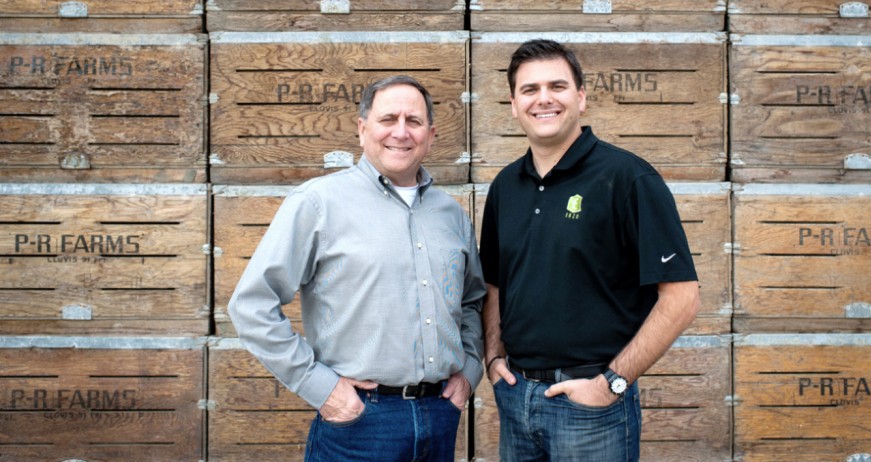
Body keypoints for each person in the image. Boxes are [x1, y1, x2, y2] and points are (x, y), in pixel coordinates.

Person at [228, 75, 486, 462]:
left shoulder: (452, 215)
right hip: (360, 421)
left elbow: (471, 301)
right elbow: (250, 306)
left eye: (413, 121)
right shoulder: (318, 203)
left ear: (431, 135)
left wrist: (468, 371)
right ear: (362, 129)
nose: (401, 132)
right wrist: (320, 387)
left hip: (440, 416)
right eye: (388, 119)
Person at [479, 39, 701, 461]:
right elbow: (494, 283)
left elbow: (683, 298)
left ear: (581, 97)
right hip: (515, 398)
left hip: (591, 410)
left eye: (557, 86)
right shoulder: (505, 186)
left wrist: (611, 384)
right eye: (529, 90)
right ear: (513, 104)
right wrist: (493, 357)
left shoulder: (627, 178)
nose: (543, 99)